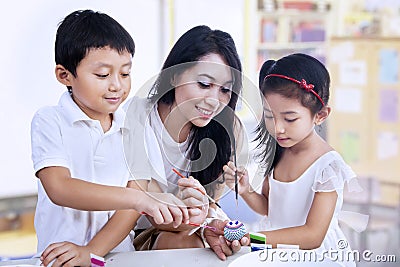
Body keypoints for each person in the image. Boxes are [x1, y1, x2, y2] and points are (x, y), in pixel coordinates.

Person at [30, 9, 188, 267]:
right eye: (103, 75)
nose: (117, 85)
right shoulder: (50, 120)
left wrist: (91, 252)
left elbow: (131, 208)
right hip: (61, 258)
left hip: (119, 257)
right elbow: (60, 188)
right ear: (64, 75)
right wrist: (138, 198)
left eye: (125, 73)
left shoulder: (135, 126)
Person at [223, 53, 368, 266]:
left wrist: (252, 239)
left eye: (290, 119)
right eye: (270, 117)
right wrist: (246, 191)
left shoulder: (327, 166)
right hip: (278, 250)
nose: (278, 128)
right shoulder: (280, 150)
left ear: (320, 115)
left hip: (318, 257)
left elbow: (312, 235)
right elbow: (269, 208)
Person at [122, 25, 249, 255]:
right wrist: (188, 211)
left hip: (196, 226)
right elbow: (148, 208)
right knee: (188, 245)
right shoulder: (137, 116)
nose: (214, 100)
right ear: (174, 76)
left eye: (225, 90)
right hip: (143, 230)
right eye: (204, 84)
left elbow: (210, 203)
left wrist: (206, 218)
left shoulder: (229, 130)